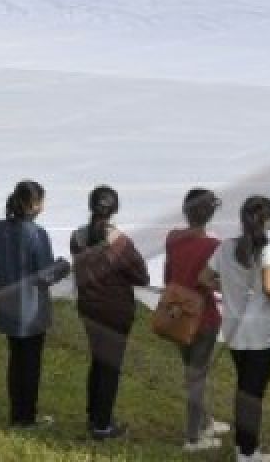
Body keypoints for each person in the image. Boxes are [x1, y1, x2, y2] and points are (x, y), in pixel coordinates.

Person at [202, 196, 270, 462]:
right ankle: (247, 452)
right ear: (265, 222)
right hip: (261, 334)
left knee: (244, 388)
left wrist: (228, 289)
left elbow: (204, 278)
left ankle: (245, 446)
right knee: (253, 394)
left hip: (234, 332)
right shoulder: (267, 251)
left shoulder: (225, 248)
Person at [0, 180, 71, 429]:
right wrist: (62, 267)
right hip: (31, 312)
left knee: (16, 360)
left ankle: (16, 415)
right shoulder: (37, 234)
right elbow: (45, 277)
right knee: (30, 364)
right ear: (34, 205)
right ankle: (27, 418)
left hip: (7, 308)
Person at [70, 186, 149, 441]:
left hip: (89, 308)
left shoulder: (77, 237)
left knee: (98, 362)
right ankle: (103, 426)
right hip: (115, 312)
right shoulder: (120, 242)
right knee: (109, 367)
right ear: (114, 210)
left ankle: (94, 415)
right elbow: (141, 276)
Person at [165, 188, 230, 453]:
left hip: (176, 314)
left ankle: (206, 422)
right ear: (211, 214)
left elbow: (168, 274)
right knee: (197, 377)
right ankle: (193, 437)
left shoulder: (172, 238)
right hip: (203, 318)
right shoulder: (214, 246)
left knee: (192, 371)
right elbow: (217, 283)